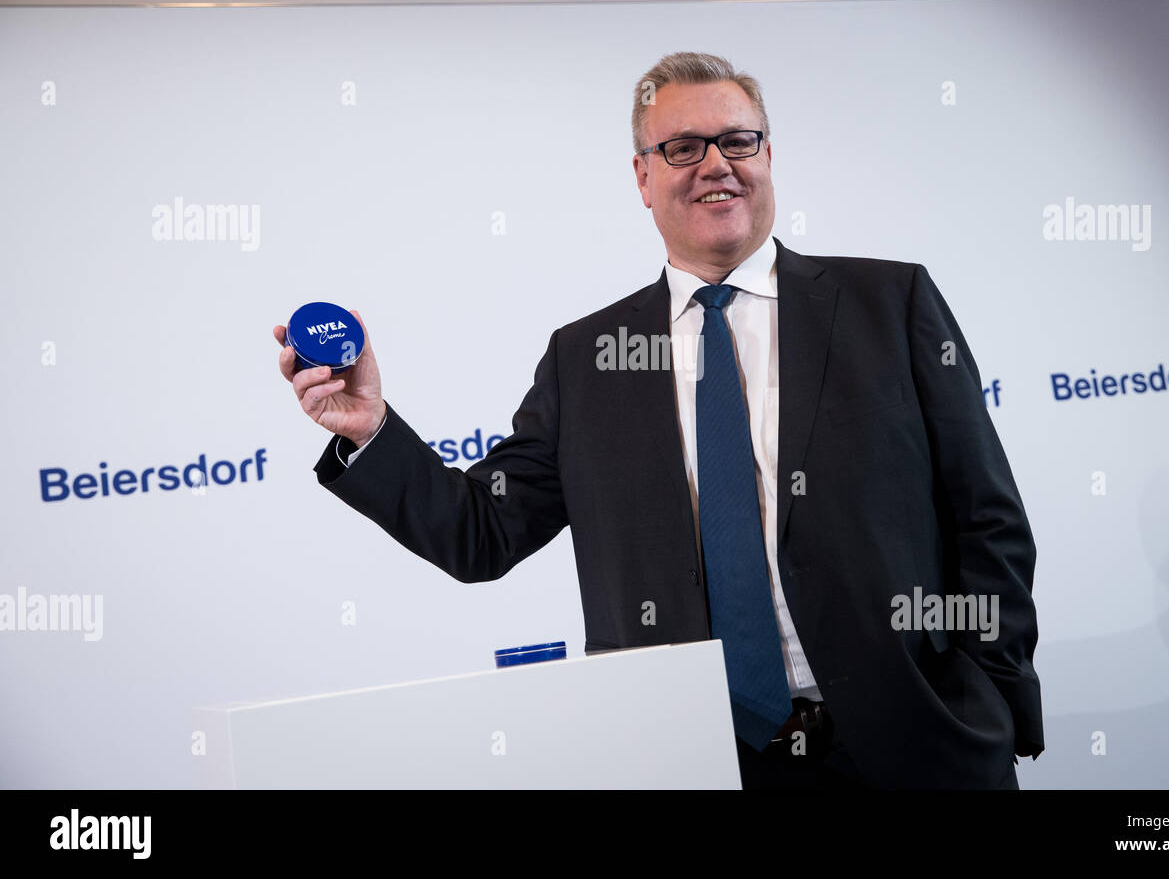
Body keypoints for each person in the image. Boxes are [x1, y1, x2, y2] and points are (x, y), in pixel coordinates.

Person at [273, 52, 1044, 789]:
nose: (717, 164)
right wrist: (370, 430)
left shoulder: (889, 304)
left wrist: (990, 695)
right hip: (697, 762)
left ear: (768, 155)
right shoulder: (587, 359)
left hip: (917, 752)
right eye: (682, 147)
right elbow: (483, 533)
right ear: (643, 178)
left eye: (738, 140)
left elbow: (987, 519)